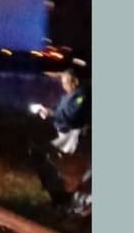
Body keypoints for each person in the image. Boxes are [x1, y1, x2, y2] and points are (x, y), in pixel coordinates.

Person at [29, 66, 91, 214]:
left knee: (74, 170)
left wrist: (51, 114)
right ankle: (59, 197)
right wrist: (46, 111)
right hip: (62, 136)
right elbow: (58, 110)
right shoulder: (66, 96)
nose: (63, 85)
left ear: (74, 82)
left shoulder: (81, 96)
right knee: (39, 155)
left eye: (66, 82)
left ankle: (67, 200)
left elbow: (72, 117)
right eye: (62, 82)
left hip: (75, 138)